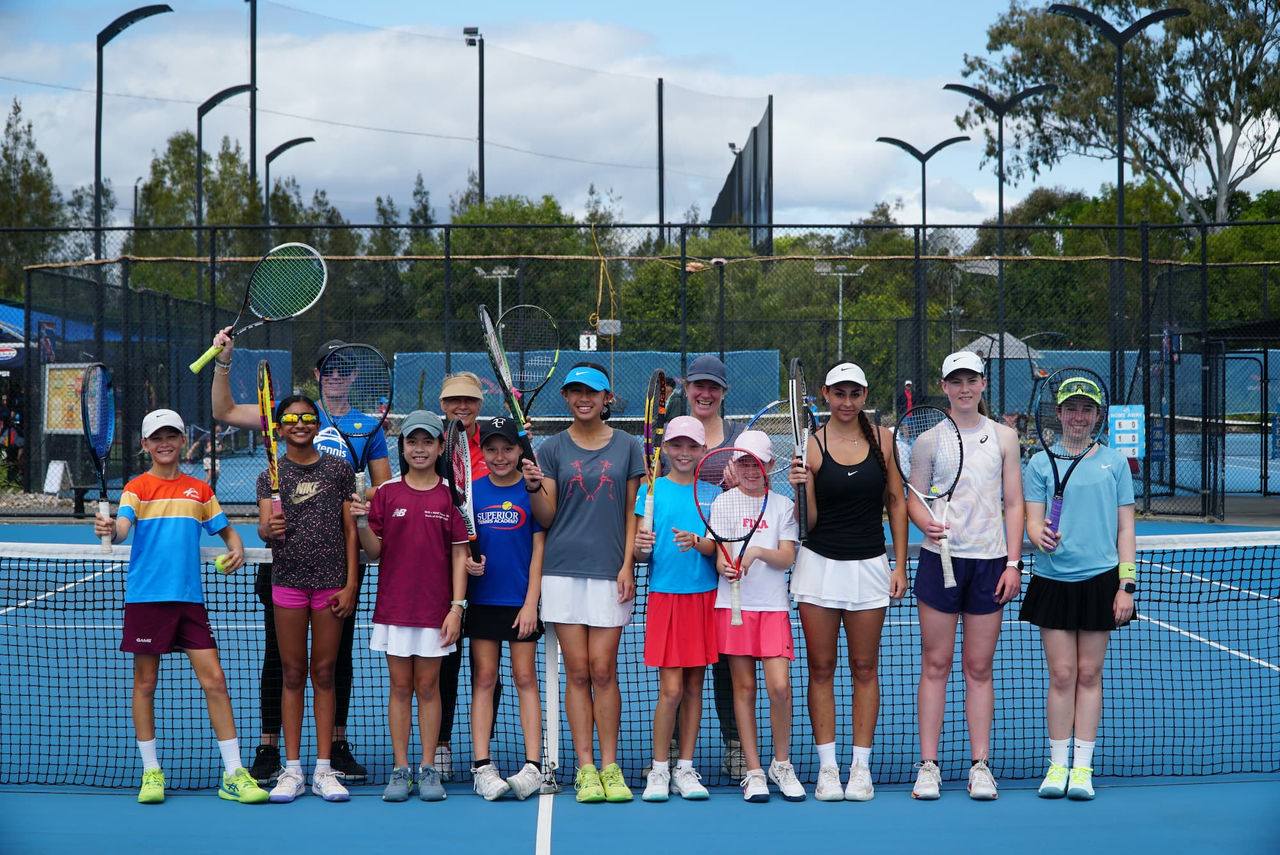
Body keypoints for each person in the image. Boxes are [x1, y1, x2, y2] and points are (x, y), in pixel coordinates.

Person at [209, 330, 385, 784]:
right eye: (330, 368)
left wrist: (362, 500)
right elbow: (223, 411)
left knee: (335, 662)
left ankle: (334, 749)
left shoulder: (367, 428)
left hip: (337, 569)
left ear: (354, 376)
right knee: (280, 660)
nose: (337, 376)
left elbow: (383, 491)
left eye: (345, 369)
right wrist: (224, 361)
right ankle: (272, 749)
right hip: (284, 570)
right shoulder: (285, 415)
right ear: (318, 373)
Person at [94, 408, 268, 806]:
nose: (165, 443)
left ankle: (233, 773)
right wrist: (109, 529)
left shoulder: (199, 490)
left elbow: (227, 531)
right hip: (147, 600)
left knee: (216, 681)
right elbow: (122, 529)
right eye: (157, 438)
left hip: (190, 601)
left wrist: (237, 548)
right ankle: (151, 771)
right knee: (145, 684)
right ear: (145, 445)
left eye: (171, 436)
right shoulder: (136, 488)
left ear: (182, 440)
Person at [525, 363, 644, 804]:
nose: (583, 398)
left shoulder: (628, 446)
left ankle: (611, 767)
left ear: (607, 398)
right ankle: (586, 768)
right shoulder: (551, 448)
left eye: (592, 392)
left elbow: (632, 511)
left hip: (610, 571)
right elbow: (547, 516)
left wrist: (627, 564)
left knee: (603, 670)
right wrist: (534, 488)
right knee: (577, 672)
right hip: (561, 571)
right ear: (566, 397)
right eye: (575, 391)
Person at [789, 362, 909, 801]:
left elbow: (896, 501)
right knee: (821, 668)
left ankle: (861, 769)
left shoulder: (885, 440)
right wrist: (801, 487)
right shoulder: (812, 444)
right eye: (839, 393)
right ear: (825, 394)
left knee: (864, 668)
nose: (846, 402)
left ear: (864, 396)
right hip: (818, 567)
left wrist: (899, 565)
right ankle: (828, 769)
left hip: (870, 567)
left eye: (854, 394)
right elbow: (808, 523)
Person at [907, 352, 1024, 801]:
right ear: (944, 386)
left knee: (979, 667)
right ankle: (928, 766)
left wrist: (1013, 563)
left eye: (971, 380)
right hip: (939, 561)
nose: (964, 388)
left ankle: (980, 765)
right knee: (935, 664)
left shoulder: (1005, 437)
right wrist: (925, 522)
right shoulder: (928, 441)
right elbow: (914, 497)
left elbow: (1013, 503)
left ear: (983, 384)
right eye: (956, 381)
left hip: (990, 563)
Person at [1022, 375, 1136, 801]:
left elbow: (1126, 528)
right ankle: (1057, 766)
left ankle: (1082, 769)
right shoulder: (1038, 463)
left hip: (1101, 581)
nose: (1079, 416)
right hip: (1052, 581)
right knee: (1062, 674)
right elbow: (1032, 520)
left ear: (1097, 415)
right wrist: (1037, 533)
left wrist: (1127, 583)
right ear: (1058, 412)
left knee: (1089, 673)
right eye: (1071, 408)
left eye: (1087, 409)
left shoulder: (1115, 463)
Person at [351, 410, 469, 803]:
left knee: (429, 688)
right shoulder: (387, 494)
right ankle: (401, 768)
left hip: (436, 612)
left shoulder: (451, 495)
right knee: (400, 688)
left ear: (440, 447)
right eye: (412, 441)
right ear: (402, 447)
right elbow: (375, 551)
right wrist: (362, 522)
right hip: (395, 609)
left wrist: (456, 608)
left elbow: (459, 555)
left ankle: (428, 767)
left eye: (427, 442)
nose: (419, 449)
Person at [256, 395, 360, 803]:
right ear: (279, 428)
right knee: (292, 673)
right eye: (291, 418)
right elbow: (264, 528)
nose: (299, 424)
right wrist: (268, 530)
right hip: (288, 583)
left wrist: (351, 584)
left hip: (332, 584)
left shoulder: (338, 469)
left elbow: (350, 530)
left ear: (317, 424)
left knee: (324, 672)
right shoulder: (269, 475)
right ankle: (293, 770)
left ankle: (323, 769)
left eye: (307, 417)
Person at [709, 430, 805, 804]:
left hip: (772, 608)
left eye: (758, 464)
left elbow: (787, 558)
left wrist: (756, 554)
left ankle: (782, 763)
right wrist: (726, 567)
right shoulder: (723, 504)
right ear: (735, 465)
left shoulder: (781, 505)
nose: (751, 470)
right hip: (734, 608)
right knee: (744, 689)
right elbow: (719, 556)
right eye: (744, 463)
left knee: (779, 687)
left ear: (770, 465)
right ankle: (753, 771)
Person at [634, 415, 717, 802]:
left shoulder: (712, 494)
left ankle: (685, 767)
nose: (684, 453)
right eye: (677, 445)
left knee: (694, 687)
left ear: (703, 451)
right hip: (665, 597)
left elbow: (717, 547)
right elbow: (639, 553)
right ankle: (659, 768)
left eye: (692, 446)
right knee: (670, 690)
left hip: (703, 597)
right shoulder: (650, 492)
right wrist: (641, 548)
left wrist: (697, 541)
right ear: (665, 448)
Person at [673, 354, 748, 778]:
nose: (705, 394)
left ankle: (735, 745)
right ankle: (669, 748)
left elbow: (759, 498)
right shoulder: (674, 438)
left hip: (726, 567)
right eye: (698, 386)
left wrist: (741, 489)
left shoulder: (739, 439)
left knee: (725, 662)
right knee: (679, 663)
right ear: (687, 389)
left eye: (713, 387)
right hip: (681, 569)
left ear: (723, 392)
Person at [465, 416, 546, 802]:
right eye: (492, 449)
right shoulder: (471, 493)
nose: (500, 456)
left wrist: (531, 604)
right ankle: (482, 767)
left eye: (508, 448)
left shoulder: (532, 490)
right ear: (482, 451)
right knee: (484, 678)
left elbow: (539, 550)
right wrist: (469, 565)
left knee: (525, 677)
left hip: (519, 603)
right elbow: (462, 547)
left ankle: (534, 766)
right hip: (482, 601)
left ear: (519, 451)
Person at [434, 371, 495, 780]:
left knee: (487, 667)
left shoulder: (495, 443)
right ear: (443, 404)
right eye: (454, 399)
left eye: (470, 400)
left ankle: (481, 750)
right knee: (446, 662)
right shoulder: (432, 443)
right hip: (446, 569)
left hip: (492, 569)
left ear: (479, 404)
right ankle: (441, 743)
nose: (462, 406)